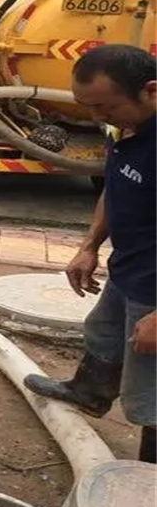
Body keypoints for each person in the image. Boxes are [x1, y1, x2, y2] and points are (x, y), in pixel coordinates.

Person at [24, 44, 156, 464]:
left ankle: (147, 485)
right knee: (103, 334)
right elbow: (116, 190)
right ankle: (89, 393)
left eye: (106, 108)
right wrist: (89, 247)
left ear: (150, 91)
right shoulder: (126, 127)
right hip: (130, 269)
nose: (99, 119)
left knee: (151, 393)